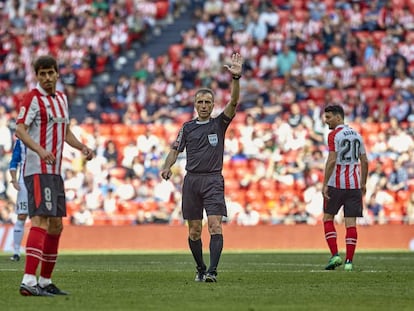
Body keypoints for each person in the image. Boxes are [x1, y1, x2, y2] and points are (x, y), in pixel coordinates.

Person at [160, 53, 243, 283]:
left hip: (213, 180)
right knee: (194, 230)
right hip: (192, 181)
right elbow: (175, 150)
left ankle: (212, 272)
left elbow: (234, 102)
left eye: (208, 102)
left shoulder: (219, 123)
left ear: (213, 105)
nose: (204, 105)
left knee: (215, 226)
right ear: (195, 105)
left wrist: (235, 78)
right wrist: (167, 167)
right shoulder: (187, 128)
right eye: (200, 102)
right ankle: (200, 267)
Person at [15, 55, 94, 296]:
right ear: (37, 76)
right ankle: (29, 281)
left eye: (51, 73)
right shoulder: (32, 98)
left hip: (55, 171)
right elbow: (20, 129)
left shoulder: (61, 98)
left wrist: (81, 147)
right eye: (42, 74)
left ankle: (45, 281)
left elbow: (65, 130)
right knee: (39, 219)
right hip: (37, 169)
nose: (47, 78)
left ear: (57, 73)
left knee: (57, 226)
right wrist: (39, 150)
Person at [322, 105, 369, 271]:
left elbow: (332, 160)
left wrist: (325, 184)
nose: (325, 120)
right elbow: (364, 161)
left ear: (338, 117)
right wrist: (363, 184)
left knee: (328, 219)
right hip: (355, 186)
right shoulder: (357, 135)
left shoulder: (333, 135)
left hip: (336, 185)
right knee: (351, 224)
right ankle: (349, 262)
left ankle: (335, 255)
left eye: (328, 117)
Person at [9, 139, 28, 262]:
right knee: (21, 215)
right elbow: (14, 161)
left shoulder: (44, 135)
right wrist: (14, 179)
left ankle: (42, 251)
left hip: (42, 180)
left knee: (42, 216)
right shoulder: (21, 141)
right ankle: (16, 251)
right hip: (24, 181)